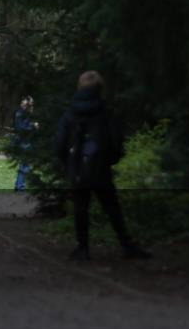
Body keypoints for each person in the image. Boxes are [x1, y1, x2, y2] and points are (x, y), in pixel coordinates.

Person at [55, 71, 150, 260]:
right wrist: (110, 160)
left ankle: (83, 248)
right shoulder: (106, 113)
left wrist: (67, 163)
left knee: (81, 208)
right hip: (100, 168)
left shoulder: (70, 114)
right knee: (112, 207)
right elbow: (116, 142)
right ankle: (126, 244)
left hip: (77, 170)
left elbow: (59, 143)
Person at [13, 96, 38, 192]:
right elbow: (21, 129)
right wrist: (33, 126)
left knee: (24, 165)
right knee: (25, 165)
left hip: (25, 141)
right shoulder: (20, 113)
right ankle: (20, 187)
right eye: (30, 103)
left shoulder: (23, 113)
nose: (31, 106)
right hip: (24, 142)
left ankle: (19, 186)